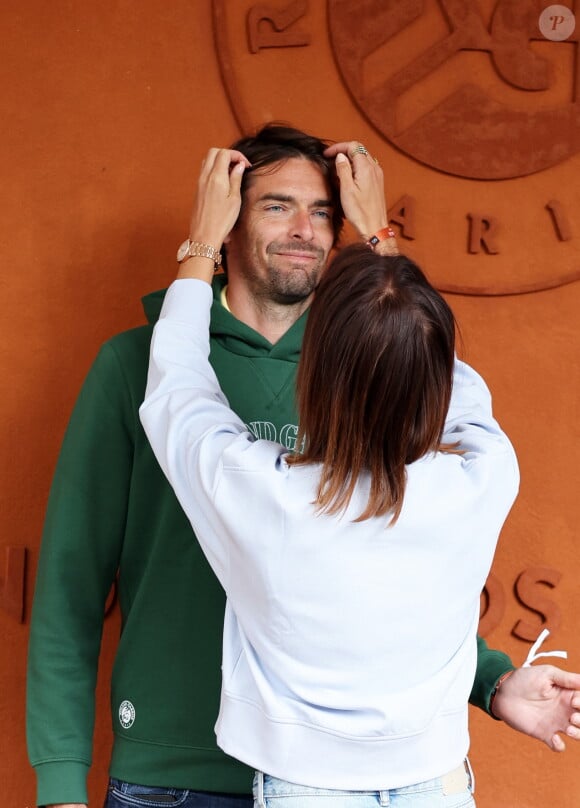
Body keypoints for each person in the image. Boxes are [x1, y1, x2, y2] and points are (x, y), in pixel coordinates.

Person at [27, 125, 580, 808]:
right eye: (278, 205)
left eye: (324, 211)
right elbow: (70, 585)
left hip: (326, 778)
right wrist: (58, 783)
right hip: (174, 773)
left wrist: (487, 678)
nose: (305, 230)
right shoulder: (127, 366)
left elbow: (401, 578)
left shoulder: (368, 374)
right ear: (229, 218)